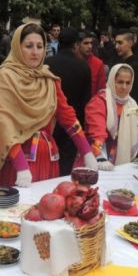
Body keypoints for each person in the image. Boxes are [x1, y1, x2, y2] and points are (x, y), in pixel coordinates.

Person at [0, 23, 97, 187]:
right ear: (17, 46)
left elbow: (67, 116)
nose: (35, 52)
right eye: (29, 46)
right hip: (16, 164)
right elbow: (2, 124)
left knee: (46, 210)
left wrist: (87, 151)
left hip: (48, 159)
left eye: (40, 46)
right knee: (11, 212)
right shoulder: (5, 77)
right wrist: (21, 166)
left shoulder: (48, 78)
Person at [45, 27, 91, 176]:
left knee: (47, 165)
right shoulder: (83, 67)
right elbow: (86, 101)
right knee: (65, 168)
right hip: (73, 126)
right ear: (76, 44)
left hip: (49, 123)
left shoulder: (47, 64)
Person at [85, 64, 138, 170]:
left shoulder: (132, 104)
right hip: (98, 158)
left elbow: (137, 130)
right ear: (111, 80)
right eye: (120, 82)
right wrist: (100, 157)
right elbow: (97, 131)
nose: (124, 87)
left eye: (128, 83)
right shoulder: (100, 101)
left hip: (123, 158)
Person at [114, 29, 138, 103]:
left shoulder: (136, 67)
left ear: (130, 43)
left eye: (120, 43)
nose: (116, 46)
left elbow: (135, 95)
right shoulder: (118, 62)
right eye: (116, 43)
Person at [76, 30, 106, 96]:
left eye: (91, 43)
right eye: (86, 43)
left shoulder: (98, 64)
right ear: (77, 44)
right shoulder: (71, 61)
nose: (90, 46)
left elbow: (101, 91)